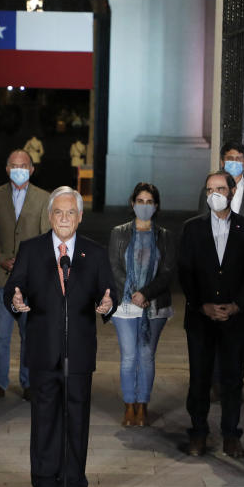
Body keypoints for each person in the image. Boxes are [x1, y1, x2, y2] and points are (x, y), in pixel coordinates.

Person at [4, 187, 116, 487]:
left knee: (77, 422)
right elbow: (13, 286)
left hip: (79, 353)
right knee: (44, 423)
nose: (64, 219)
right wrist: (15, 298)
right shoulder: (32, 249)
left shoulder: (94, 253)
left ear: (80, 217)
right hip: (43, 352)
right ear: (50, 216)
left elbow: (109, 291)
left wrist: (108, 303)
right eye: (58, 213)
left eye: (71, 213)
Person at [178, 171, 244, 458]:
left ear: (232, 191)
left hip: (234, 318)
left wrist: (238, 305)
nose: (214, 193)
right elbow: (185, 271)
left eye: (220, 188)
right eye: (209, 188)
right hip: (201, 317)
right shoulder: (192, 228)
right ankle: (198, 432)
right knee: (199, 377)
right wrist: (202, 304)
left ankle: (230, 434)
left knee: (232, 378)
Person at [0, 150, 50, 402]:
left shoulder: (44, 198)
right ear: (7, 168)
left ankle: (29, 381)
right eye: (14, 165)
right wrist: (0, 259)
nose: (19, 169)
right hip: (1, 276)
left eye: (24, 165)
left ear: (32, 169)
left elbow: (46, 238)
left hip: (31, 280)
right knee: (0, 334)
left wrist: (27, 264)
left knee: (30, 334)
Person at [108, 183, 176, 426]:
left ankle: (143, 405)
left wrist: (145, 293)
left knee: (146, 356)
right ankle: (129, 405)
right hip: (125, 303)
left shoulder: (164, 235)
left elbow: (167, 272)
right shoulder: (119, 232)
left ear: (156, 206)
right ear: (132, 203)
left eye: (149, 202)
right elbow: (114, 266)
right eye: (140, 201)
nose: (144, 206)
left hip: (154, 304)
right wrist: (133, 293)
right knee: (128, 357)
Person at [196, 140, 244, 230]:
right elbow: (202, 223)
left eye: (238, 159)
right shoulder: (210, 190)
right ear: (222, 162)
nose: (235, 162)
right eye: (230, 159)